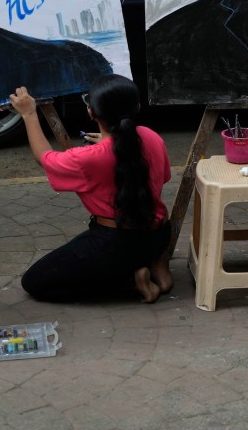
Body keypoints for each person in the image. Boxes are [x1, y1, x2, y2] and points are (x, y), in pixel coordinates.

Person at [9, 75, 173, 303]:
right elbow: (160, 177)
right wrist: (112, 147)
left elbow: (44, 157)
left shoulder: (87, 159)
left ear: (91, 113)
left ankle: (134, 283)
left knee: (35, 282)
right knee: (131, 245)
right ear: (137, 106)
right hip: (159, 233)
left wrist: (29, 114)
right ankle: (157, 264)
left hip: (118, 242)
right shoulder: (151, 136)